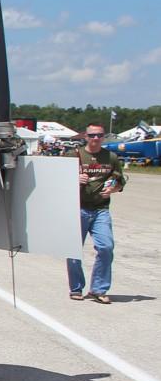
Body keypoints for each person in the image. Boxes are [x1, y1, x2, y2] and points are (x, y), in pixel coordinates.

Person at [66, 123, 125, 304]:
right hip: (78, 208)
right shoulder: (73, 155)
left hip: (101, 209)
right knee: (74, 250)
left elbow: (119, 181)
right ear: (86, 137)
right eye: (92, 135)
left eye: (99, 135)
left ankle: (98, 289)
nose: (96, 139)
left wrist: (112, 189)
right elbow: (56, 179)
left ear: (103, 137)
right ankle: (76, 288)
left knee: (106, 247)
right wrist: (74, 178)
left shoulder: (111, 157)